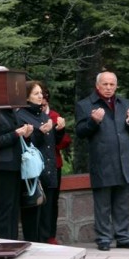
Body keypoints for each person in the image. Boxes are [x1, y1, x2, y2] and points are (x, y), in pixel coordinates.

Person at [75, 71, 129, 251]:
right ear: (97, 86)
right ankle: (104, 239)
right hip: (102, 161)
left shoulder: (124, 103)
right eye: (105, 84)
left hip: (123, 161)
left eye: (112, 84)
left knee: (122, 203)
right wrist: (93, 121)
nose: (109, 88)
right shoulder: (85, 105)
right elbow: (80, 132)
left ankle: (123, 237)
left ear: (116, 86)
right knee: (103, 205)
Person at [16, 81, 62, 243]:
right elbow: (25, 144)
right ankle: (33, 244)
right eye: (36, 93)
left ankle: (44, 243)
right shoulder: (20, 115)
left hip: (48, 168)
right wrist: (40, 133)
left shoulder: (43, 114)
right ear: (26, 97)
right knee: (32, 212)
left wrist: (58, 130)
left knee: (46, 212)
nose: (41, 96)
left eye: (41, 93)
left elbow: (53, 142)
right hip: (33, 172)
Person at [41, 89, 72, 245]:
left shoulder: (54, 115)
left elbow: (65, 141)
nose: (42, 101)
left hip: (54, 164)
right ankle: (39, 234)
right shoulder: (26, 114)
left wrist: (59, 130)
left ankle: (50, 235)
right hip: (36, 165)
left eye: (44, 97)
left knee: (52, 201)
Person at [0, 109, 33, 240]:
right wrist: (16, 134)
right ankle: (4, 240)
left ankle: (12, 240)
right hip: (3, 167)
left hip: (16, 165)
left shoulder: (13, 113)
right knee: (4, 208)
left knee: (13, 208)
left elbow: (20, 140)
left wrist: (27, 135)